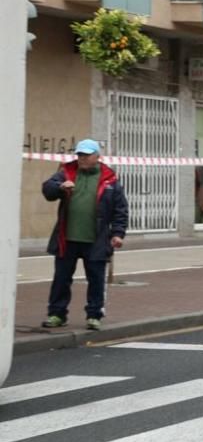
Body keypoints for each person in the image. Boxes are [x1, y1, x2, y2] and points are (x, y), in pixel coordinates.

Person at [40, 139, 128, 331]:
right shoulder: (67, 172)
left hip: (95, 240)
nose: (81, 158)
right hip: (67, 238)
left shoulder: (110, 180)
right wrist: (60, 187)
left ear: (97, 157)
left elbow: (120, 210)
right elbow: (47, 189)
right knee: (61, 279)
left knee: (96, 280)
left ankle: (94, 315)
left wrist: (118, 233)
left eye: (86, 155)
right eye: (79, 154)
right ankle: (57, 314)